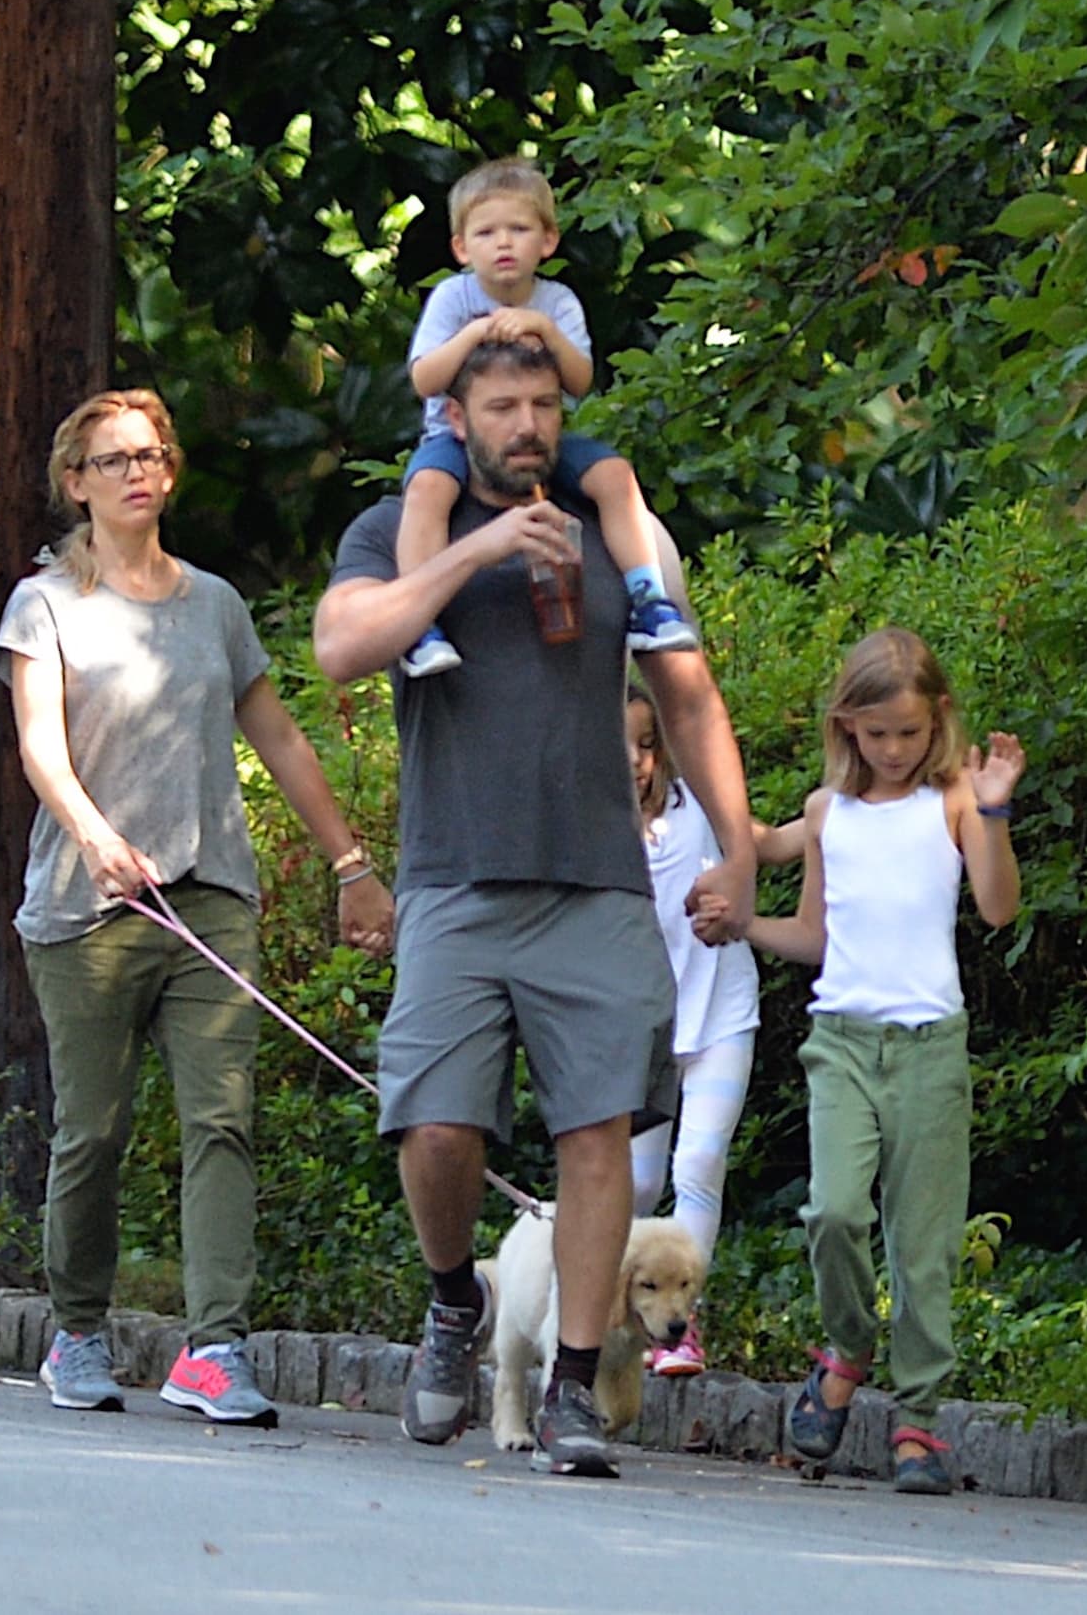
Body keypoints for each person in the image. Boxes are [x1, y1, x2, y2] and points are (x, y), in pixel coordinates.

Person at [313, 337, 757, 1478]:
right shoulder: (402, 525)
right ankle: (456, 1299)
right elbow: (340, 648)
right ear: (456, 417)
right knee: (435, 1125)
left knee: (598, 1131)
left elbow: (687, 694)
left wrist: (742, 851)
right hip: (455, 878)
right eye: (501, 404)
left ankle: (568, 1386)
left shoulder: (618, 530)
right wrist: (478, 555)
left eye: (542, 404)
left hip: (596, 884)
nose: (526, 423)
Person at [0, 388, 394, 1426]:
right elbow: (39, 745)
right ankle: (77, 1329)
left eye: (154, 454)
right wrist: (91, 834)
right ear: (74, 482)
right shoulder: (45, 604)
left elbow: (281, 737)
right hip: (88, 908)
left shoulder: (214, 603)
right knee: (95, 1130)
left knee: (223, 1120)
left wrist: (350, 863)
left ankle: (214, 1348)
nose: (139, 470)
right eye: (114, 458)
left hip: (210, 895)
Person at [705, 627, 1023, 1495]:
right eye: (873, 734)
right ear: (846, 727)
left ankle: (918, 1419)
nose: (891, 750)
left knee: (922, 1247)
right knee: (835, 1211)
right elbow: (812, 933)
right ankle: (847, 1346)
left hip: (929, 1048)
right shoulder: (826, 813)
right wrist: (741, 923)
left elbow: (996, 909)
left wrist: (992, 809)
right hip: (841, 1039)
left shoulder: (954, 799)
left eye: (909, 733)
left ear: (939, 722)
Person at [396, 155, 696, 676]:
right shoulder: (452, 298)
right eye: (487, 232)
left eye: (519, 228)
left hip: (540, 439)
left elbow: (579, 382)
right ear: (462, 248)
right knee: (427, 491)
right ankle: (419, 622)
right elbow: (424, 379)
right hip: (455, 438)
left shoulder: (557, 302)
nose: (504, 243)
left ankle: (650, 600)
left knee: (613, 474)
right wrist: (474, 334)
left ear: (548, 240)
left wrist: (546, 331)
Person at [625, 683, 803, 1375]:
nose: (637, 760)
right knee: (634, 1186)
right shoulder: (592, 831)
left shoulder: (698, 807)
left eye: (648, 744)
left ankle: (683, 1329)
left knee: (697, 1166)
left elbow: (768, 844)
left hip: (721, 1015)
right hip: (641, 1032)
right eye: (623, 745)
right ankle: (622, 1321)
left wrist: (836, 811)